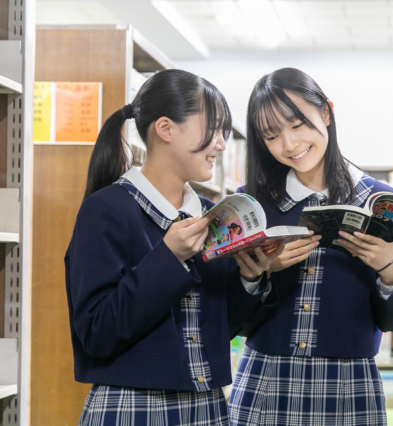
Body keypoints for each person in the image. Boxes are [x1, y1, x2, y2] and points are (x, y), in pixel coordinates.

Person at [65, 69, 281, 425]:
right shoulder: (107, 210)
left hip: (208, 407)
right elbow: (97, 333)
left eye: (224, 132)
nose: (221, 145)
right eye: (212, 129)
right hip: (133, 407)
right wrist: (168, 258)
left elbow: (217, 329)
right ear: (165, 129)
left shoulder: (211, 217)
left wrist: (250, 280)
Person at [229, 67, 393, 425]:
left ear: (326, 113)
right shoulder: (250, 206)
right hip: (265, 383)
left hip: (349, 387)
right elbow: (233, 322)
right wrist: (259, 274)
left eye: (297, 124)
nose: (289, 144)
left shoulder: (381, 202)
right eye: (272, 135)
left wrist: (389, 270)